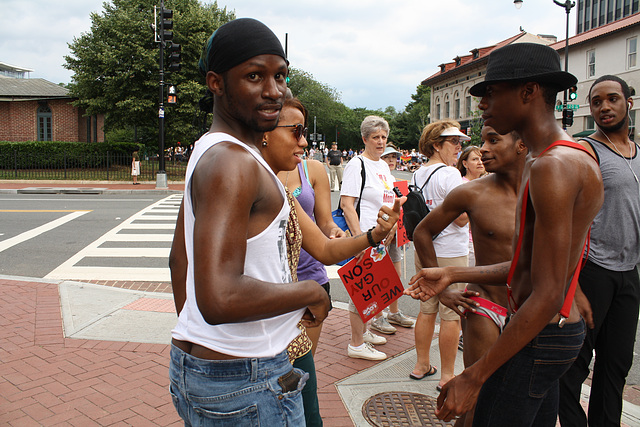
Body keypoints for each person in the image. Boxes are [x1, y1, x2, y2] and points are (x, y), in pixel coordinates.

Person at [167, 18, 401, 426]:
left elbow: (179, 260)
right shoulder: (232, 162)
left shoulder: (217, 151)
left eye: (280, 75)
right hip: (245, 376)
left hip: (226, 370)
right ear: (216, 82)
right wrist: (308, 291)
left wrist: (201, 344)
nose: (273, 90)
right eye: (255, 76)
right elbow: (218, 296)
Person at [405, 42, 604, 424]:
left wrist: (474, 376)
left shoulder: (551, 166)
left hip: (540, 333)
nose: (482, 105)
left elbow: (545, 294)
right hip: (553, 332)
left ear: (528, 92)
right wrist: (453, 273)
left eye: (492, 93)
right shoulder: (572, 155)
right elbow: (531, 267)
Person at [414, 126, 527, 427]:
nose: (483, 150)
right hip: (485, 305)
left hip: (529, 309)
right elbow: (422, 232)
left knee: (516, 399)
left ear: (521, 145)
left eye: (494, 140)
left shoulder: (544, 190)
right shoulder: (471, 192)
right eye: (482, 141)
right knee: (474, 398)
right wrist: (442, 291)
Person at [559, 75, 640, 427]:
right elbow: (563, 217)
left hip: (628, 273)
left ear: (628, 103)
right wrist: (573, 285)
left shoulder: (638, 154)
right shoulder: (586, 151)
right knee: (572, 366)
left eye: (612, 99)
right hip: (592, 270)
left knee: (616, 367)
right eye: (596, 102)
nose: (604, 107)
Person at [340, 115, 409, 360]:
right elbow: (347, 204)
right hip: (365, 235)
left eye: (384, 137)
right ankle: (356, 343)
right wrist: (359, 238)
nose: (381, 142)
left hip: (381, 236)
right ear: (365, 139)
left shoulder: (382, 166)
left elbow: (390, 199)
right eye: (375, 137)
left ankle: (366, 331)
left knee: (375, 287)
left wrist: (392, 228)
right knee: (361, 289)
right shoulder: (357, 164)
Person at [409, 120, 470, 393]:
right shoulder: (451, 175)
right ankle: (447, 375)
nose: (459, 147)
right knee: (451, 314)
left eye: (460, 142)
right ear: (437, 145)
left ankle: (421, 365)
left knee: (426, 309)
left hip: (425, 250)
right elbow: (460, 220)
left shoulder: (417, 174)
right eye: (453, 142)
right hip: (450, 255)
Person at [372, 144, 416, 333]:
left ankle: (394, 312)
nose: (391, 160)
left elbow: (401, 203)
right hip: (379, 230)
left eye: (394, 157)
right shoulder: (375, 178)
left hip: (395, 231)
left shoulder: (394, 179)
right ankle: (377, 316)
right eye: (387, 157)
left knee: (395, 273)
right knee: (378, 275)